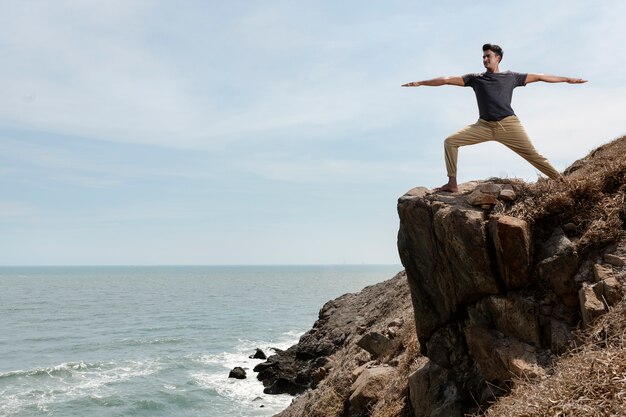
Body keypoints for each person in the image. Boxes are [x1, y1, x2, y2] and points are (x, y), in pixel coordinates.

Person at [402, 43, 587, 192]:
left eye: (487, 56)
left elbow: (540, 76)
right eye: (483, 56)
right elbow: (446, 80)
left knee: (534, 156)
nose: (484, 59)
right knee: (450, 142)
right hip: (483, 126)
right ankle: (452, 183)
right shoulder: (476, 78)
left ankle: (563, 182)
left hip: (508, 125)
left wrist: (567, 79)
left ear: (497, 58)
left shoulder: (511, 77)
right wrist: (420, 83)